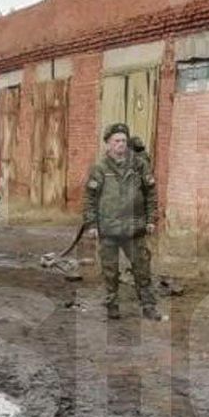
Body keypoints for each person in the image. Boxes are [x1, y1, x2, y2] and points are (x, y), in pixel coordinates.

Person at [83, 122, 160, 321]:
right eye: (116, 141)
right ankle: (112, 304)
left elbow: (150, 192)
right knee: (110, 271)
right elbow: (90, 199)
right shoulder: (99, 168)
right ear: (108, 144)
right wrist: (91, 225)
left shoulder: (139, 165)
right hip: (108, 229)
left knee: (142, 269)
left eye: (124, 141)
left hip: (134, 228)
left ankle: (149, 306)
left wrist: (152, 219)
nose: (121, 144)